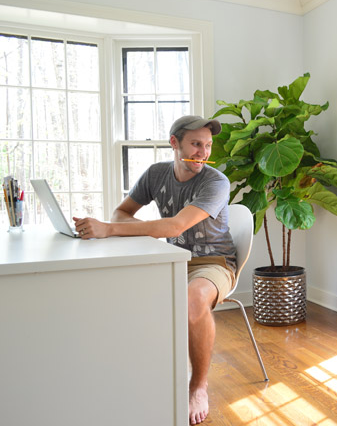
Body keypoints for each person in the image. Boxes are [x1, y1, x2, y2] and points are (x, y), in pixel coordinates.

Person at [72, 115, 235, 425]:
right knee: (119, 291)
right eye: (196, 144)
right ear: (175, 143)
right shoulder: (157, 174)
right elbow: (121, 213)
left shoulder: (215, 182)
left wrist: (111, 230)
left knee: (192, 300)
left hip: (213, 262)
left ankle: (198, 386)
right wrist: (143, 230)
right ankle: (128, 376)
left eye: (208, 146)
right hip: (168, 256)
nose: (203, 153)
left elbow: (174, 225)